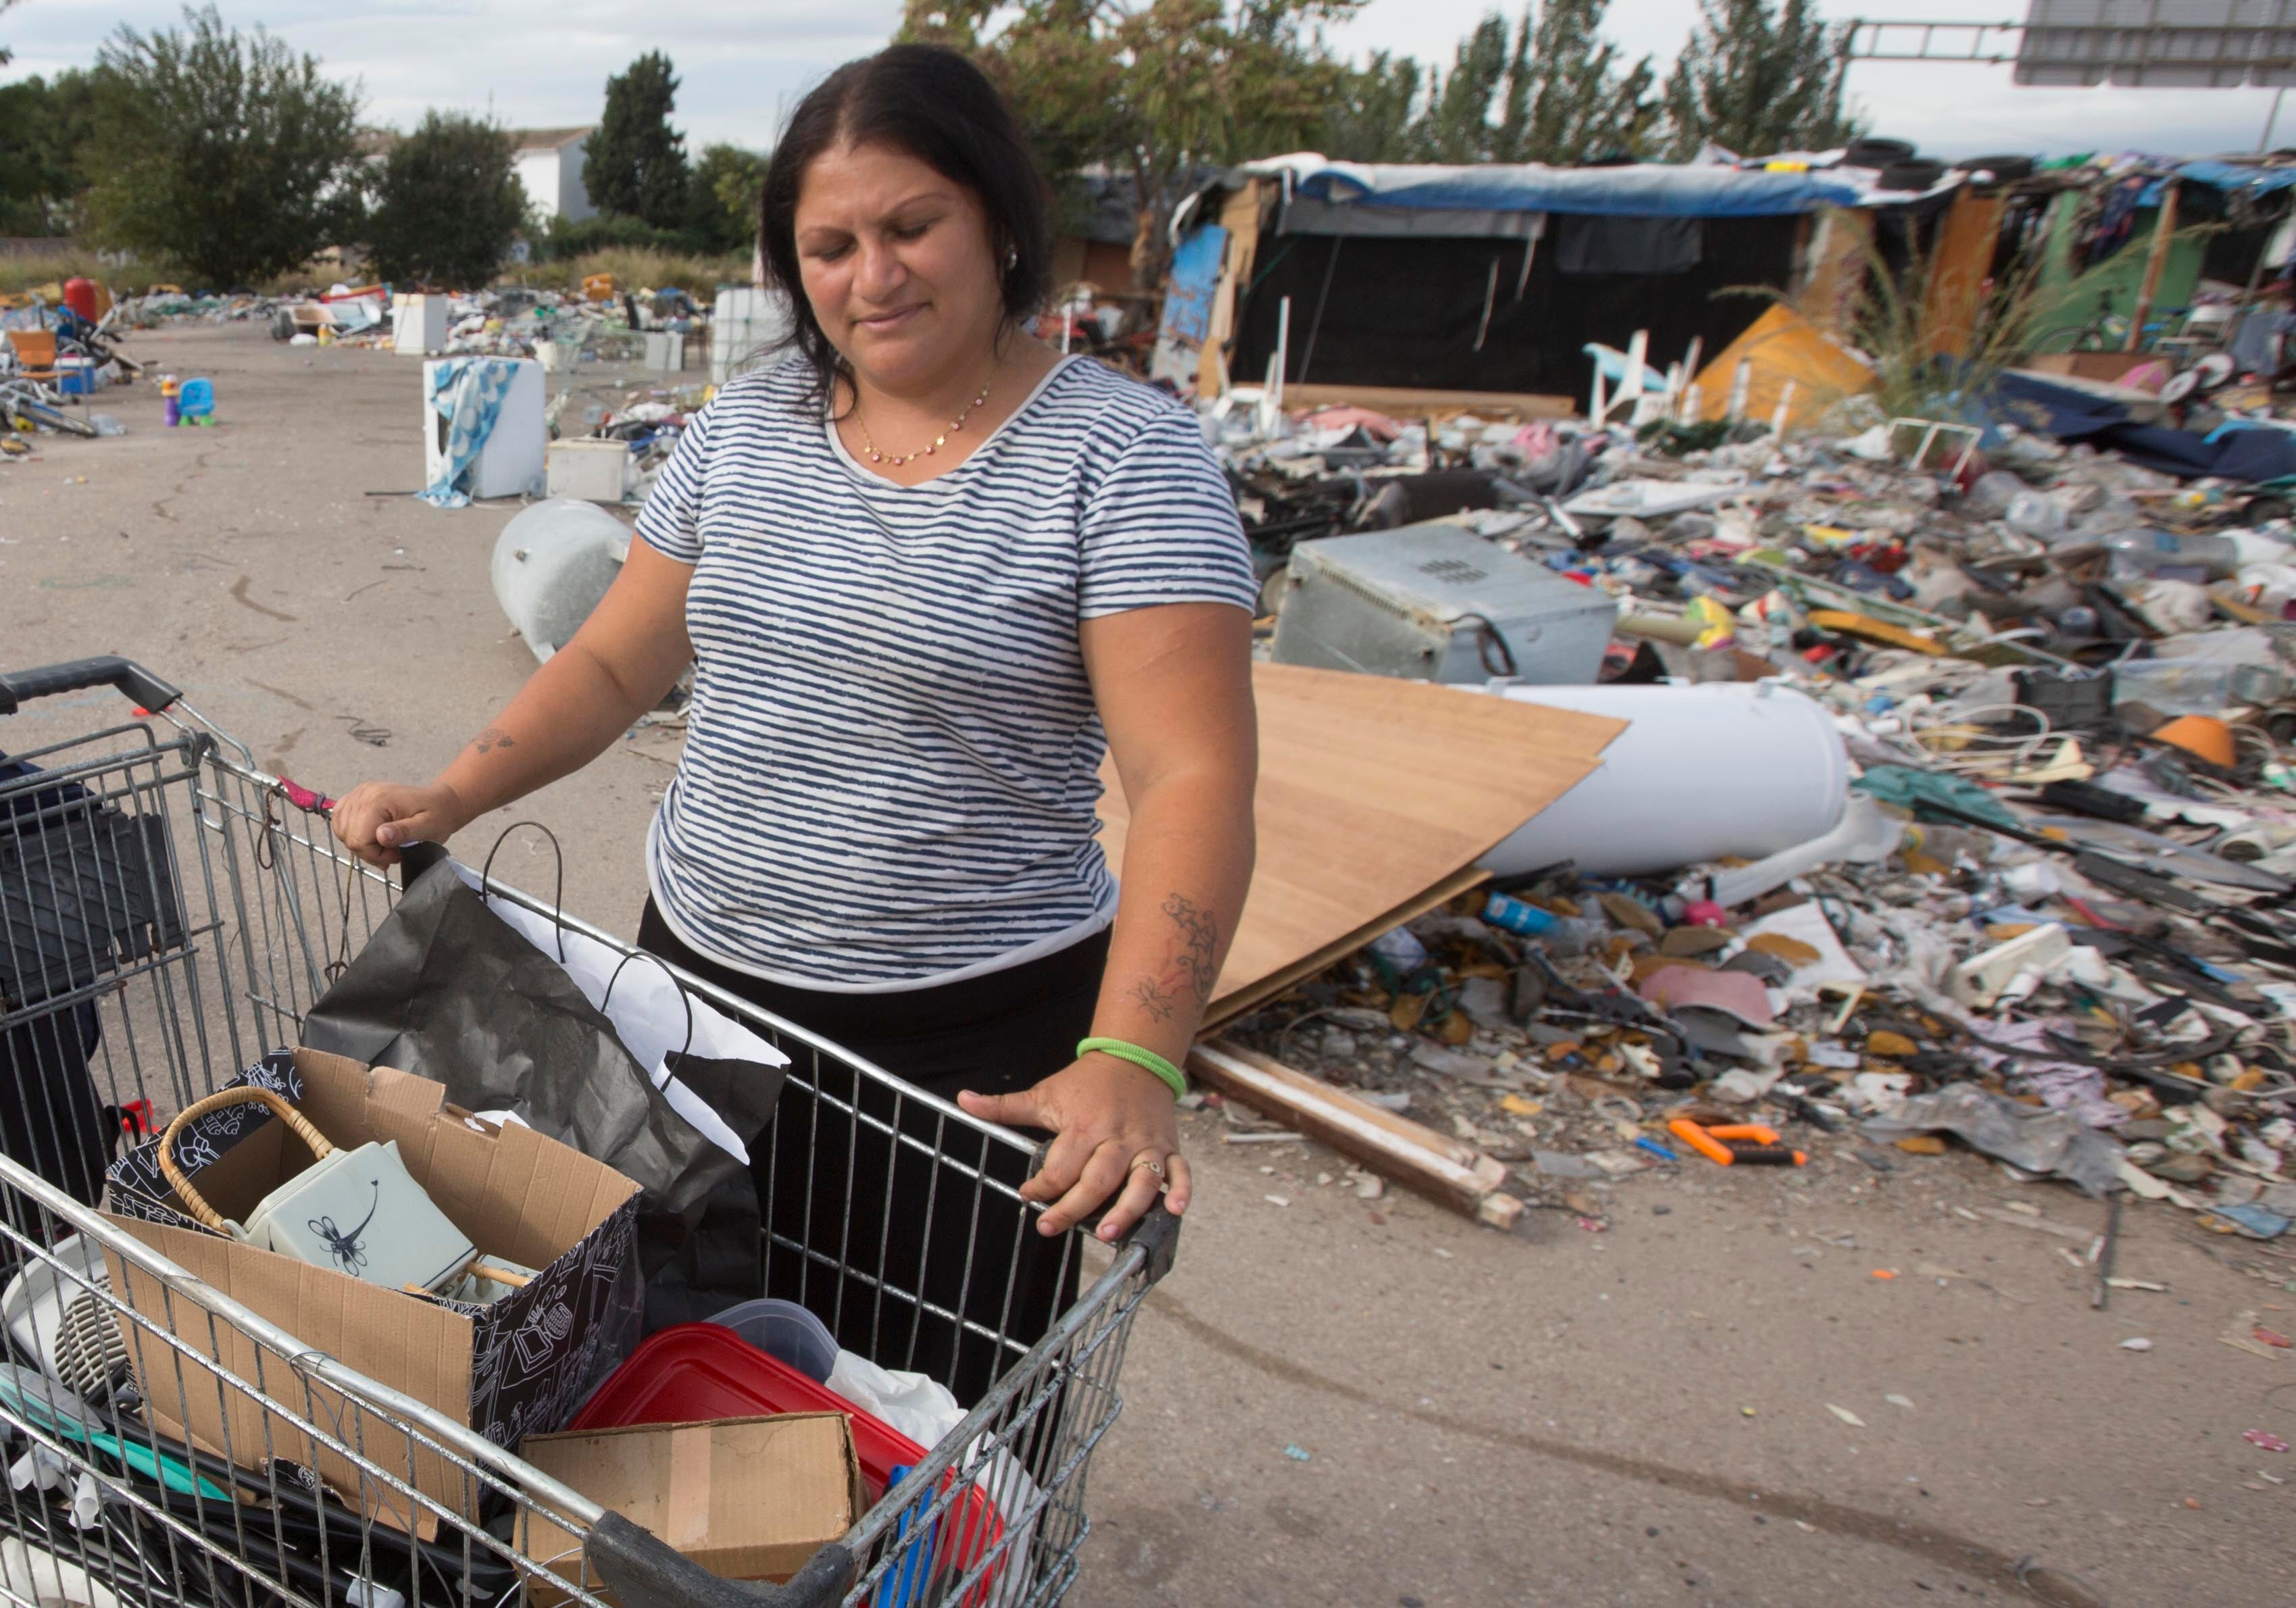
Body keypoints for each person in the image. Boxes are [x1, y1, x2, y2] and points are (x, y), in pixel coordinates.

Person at [332, 43, 1257, 1400]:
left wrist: (1132, 1054)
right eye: (828, 245)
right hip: (699, 992)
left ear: (997, 217)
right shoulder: (747, 424)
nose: (869, 275)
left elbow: (1190, 778)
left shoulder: (1124, 457)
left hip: (964, 1049)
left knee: (924, 1418)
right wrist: (451, 794)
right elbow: (608, 665)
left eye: (909, 226)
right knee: (689, 1362)